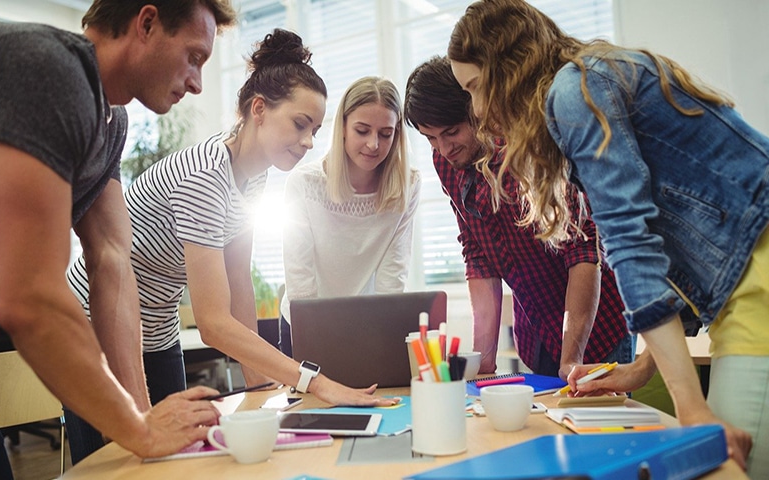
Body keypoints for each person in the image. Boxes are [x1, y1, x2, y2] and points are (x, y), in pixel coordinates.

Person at [448, 0, 766, 474]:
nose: (475, 107)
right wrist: (640, 369)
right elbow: (673, 246)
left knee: (723, 463)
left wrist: (691, 407)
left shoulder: (574, 92)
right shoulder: (593, 74)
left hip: (758, 283)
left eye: (474, 87)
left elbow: (631, 243)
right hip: (742, 287)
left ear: (506, 68)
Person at [65, 28, 399, 463]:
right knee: (115, 465)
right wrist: (312, 381)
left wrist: (261, 387)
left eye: (315, 129)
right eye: (300, 124)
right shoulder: (204, 175)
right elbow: (213, 323)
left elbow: (238, 281)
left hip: (157, 325)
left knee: (169, 459)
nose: (309, 142)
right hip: (97, 319)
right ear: (258, 109)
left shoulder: (253, 176)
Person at [0, 0, 237, 476]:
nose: (197, 82)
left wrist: (142, 422)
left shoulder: (110, 123)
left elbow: (113, 258)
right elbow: (28, 298)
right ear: (147, 23)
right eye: (194, 57)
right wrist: (140, 430)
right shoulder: (50, 70)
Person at [404, 56, 632, 379]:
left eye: (451, 132)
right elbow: (477, 254)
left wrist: (572, 359)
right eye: (430, 138)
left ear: (476, 110)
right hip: (537, 332)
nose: (442, 149)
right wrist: (483, 361)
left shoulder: (526, 148)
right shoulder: (447, 162)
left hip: (595, 328)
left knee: (598, 426)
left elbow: (582, 251)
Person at [280, 76, 421, 356]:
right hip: (305, 321)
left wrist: (382, 341)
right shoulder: (305, 183)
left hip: (367, 323)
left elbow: (392, 278)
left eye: (385, 133)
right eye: (362, 130)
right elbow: (300, 281)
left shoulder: (408, 185)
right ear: (343, 127)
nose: (373, 144)